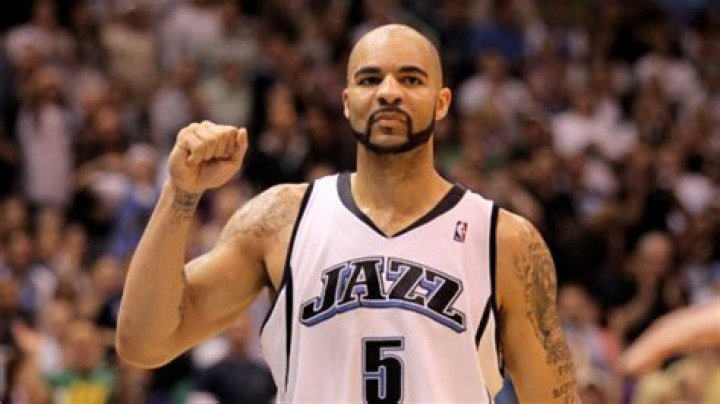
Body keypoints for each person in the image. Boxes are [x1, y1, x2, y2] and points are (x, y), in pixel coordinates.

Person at [116, 24, 579, 403]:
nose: (389, 92)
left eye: (411, 79)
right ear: (346, 101)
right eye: (370, 79)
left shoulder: (504, 240)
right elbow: (143, 343)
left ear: (442, 103)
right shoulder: (281, 221)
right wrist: (181, 194)